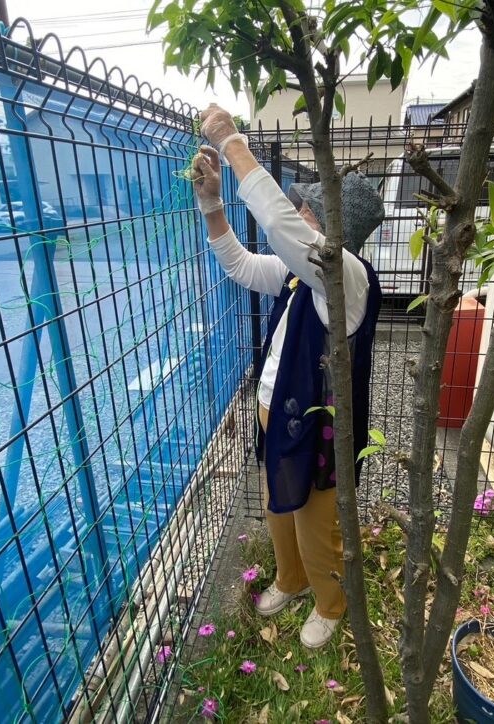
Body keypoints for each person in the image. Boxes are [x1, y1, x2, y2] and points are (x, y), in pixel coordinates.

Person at [194, 104, 384, 649]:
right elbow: (243, 266)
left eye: (307, 209)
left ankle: (331, 602)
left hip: (321, 425)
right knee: (280, 502)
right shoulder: (307, 277)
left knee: (313, 523)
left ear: (331, 228)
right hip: (278, 409)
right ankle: (291, 579)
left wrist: (231, 141)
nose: (297, 212)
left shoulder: (342, 274)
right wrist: (213, 207)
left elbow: (276, 227)